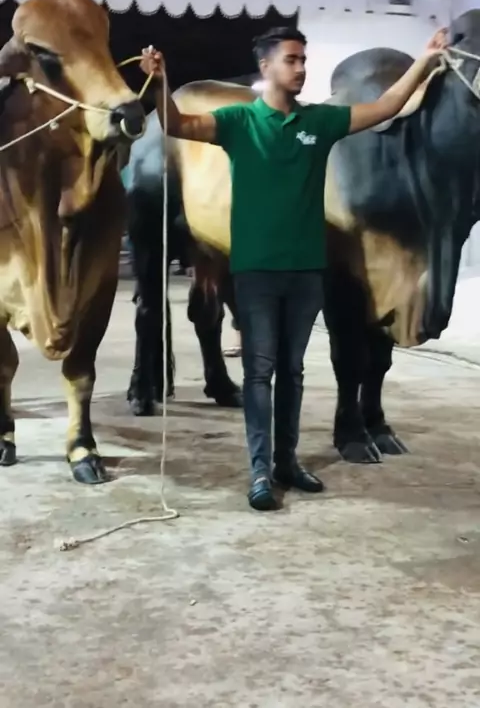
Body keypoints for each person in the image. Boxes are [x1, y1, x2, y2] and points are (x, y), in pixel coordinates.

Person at [139, 26, 447, 511]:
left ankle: (286, 461)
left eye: (304, 59)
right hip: (255, 272)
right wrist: (160, 82)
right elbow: (177, 124)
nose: (301, 68)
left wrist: (425, 60)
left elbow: (387, 105)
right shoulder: (239, 121)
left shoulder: (320, 121)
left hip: (307, 273)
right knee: (259, 373)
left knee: (293, 371)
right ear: (266, 67)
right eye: (291, 60)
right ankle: (259, 471)